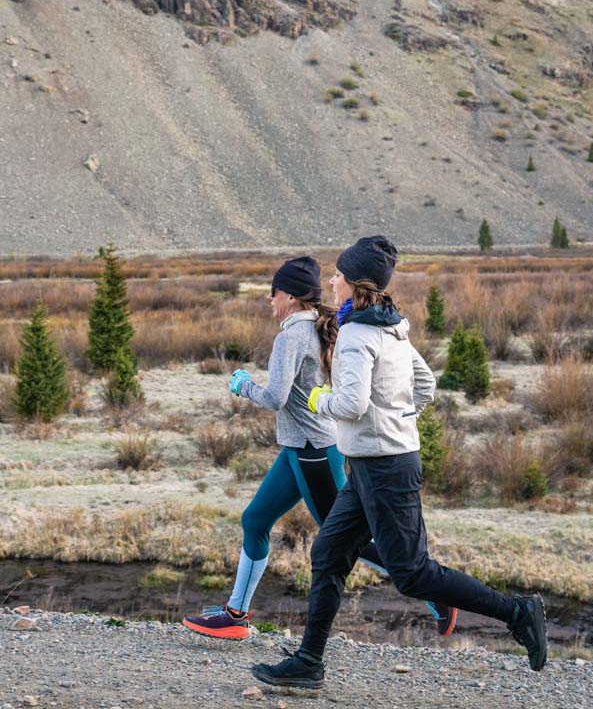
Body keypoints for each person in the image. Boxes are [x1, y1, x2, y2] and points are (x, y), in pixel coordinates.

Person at [251, 236, 548, 689]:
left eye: (338, 275)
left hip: (384, 468)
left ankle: (517, 611)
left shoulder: (356, 334)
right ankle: (309, 662)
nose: (331, 281)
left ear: (354, 283)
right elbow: (425, 385)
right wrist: (396, 422)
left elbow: (350, 405)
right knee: (328, 553)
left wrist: (316, 399)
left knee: (412, 574)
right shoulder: (391, 326)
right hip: (371, 465)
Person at [183, 256, 453, 641]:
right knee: (255, 521)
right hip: (301, 448)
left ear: (291, 297)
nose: (270, 300)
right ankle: (235, 615)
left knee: (346, 538)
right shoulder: (319, 325)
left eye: (274, 292)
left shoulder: (291, 336)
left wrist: (242, 386)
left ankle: (434, 590)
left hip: (314, 451)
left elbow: (275, 398)